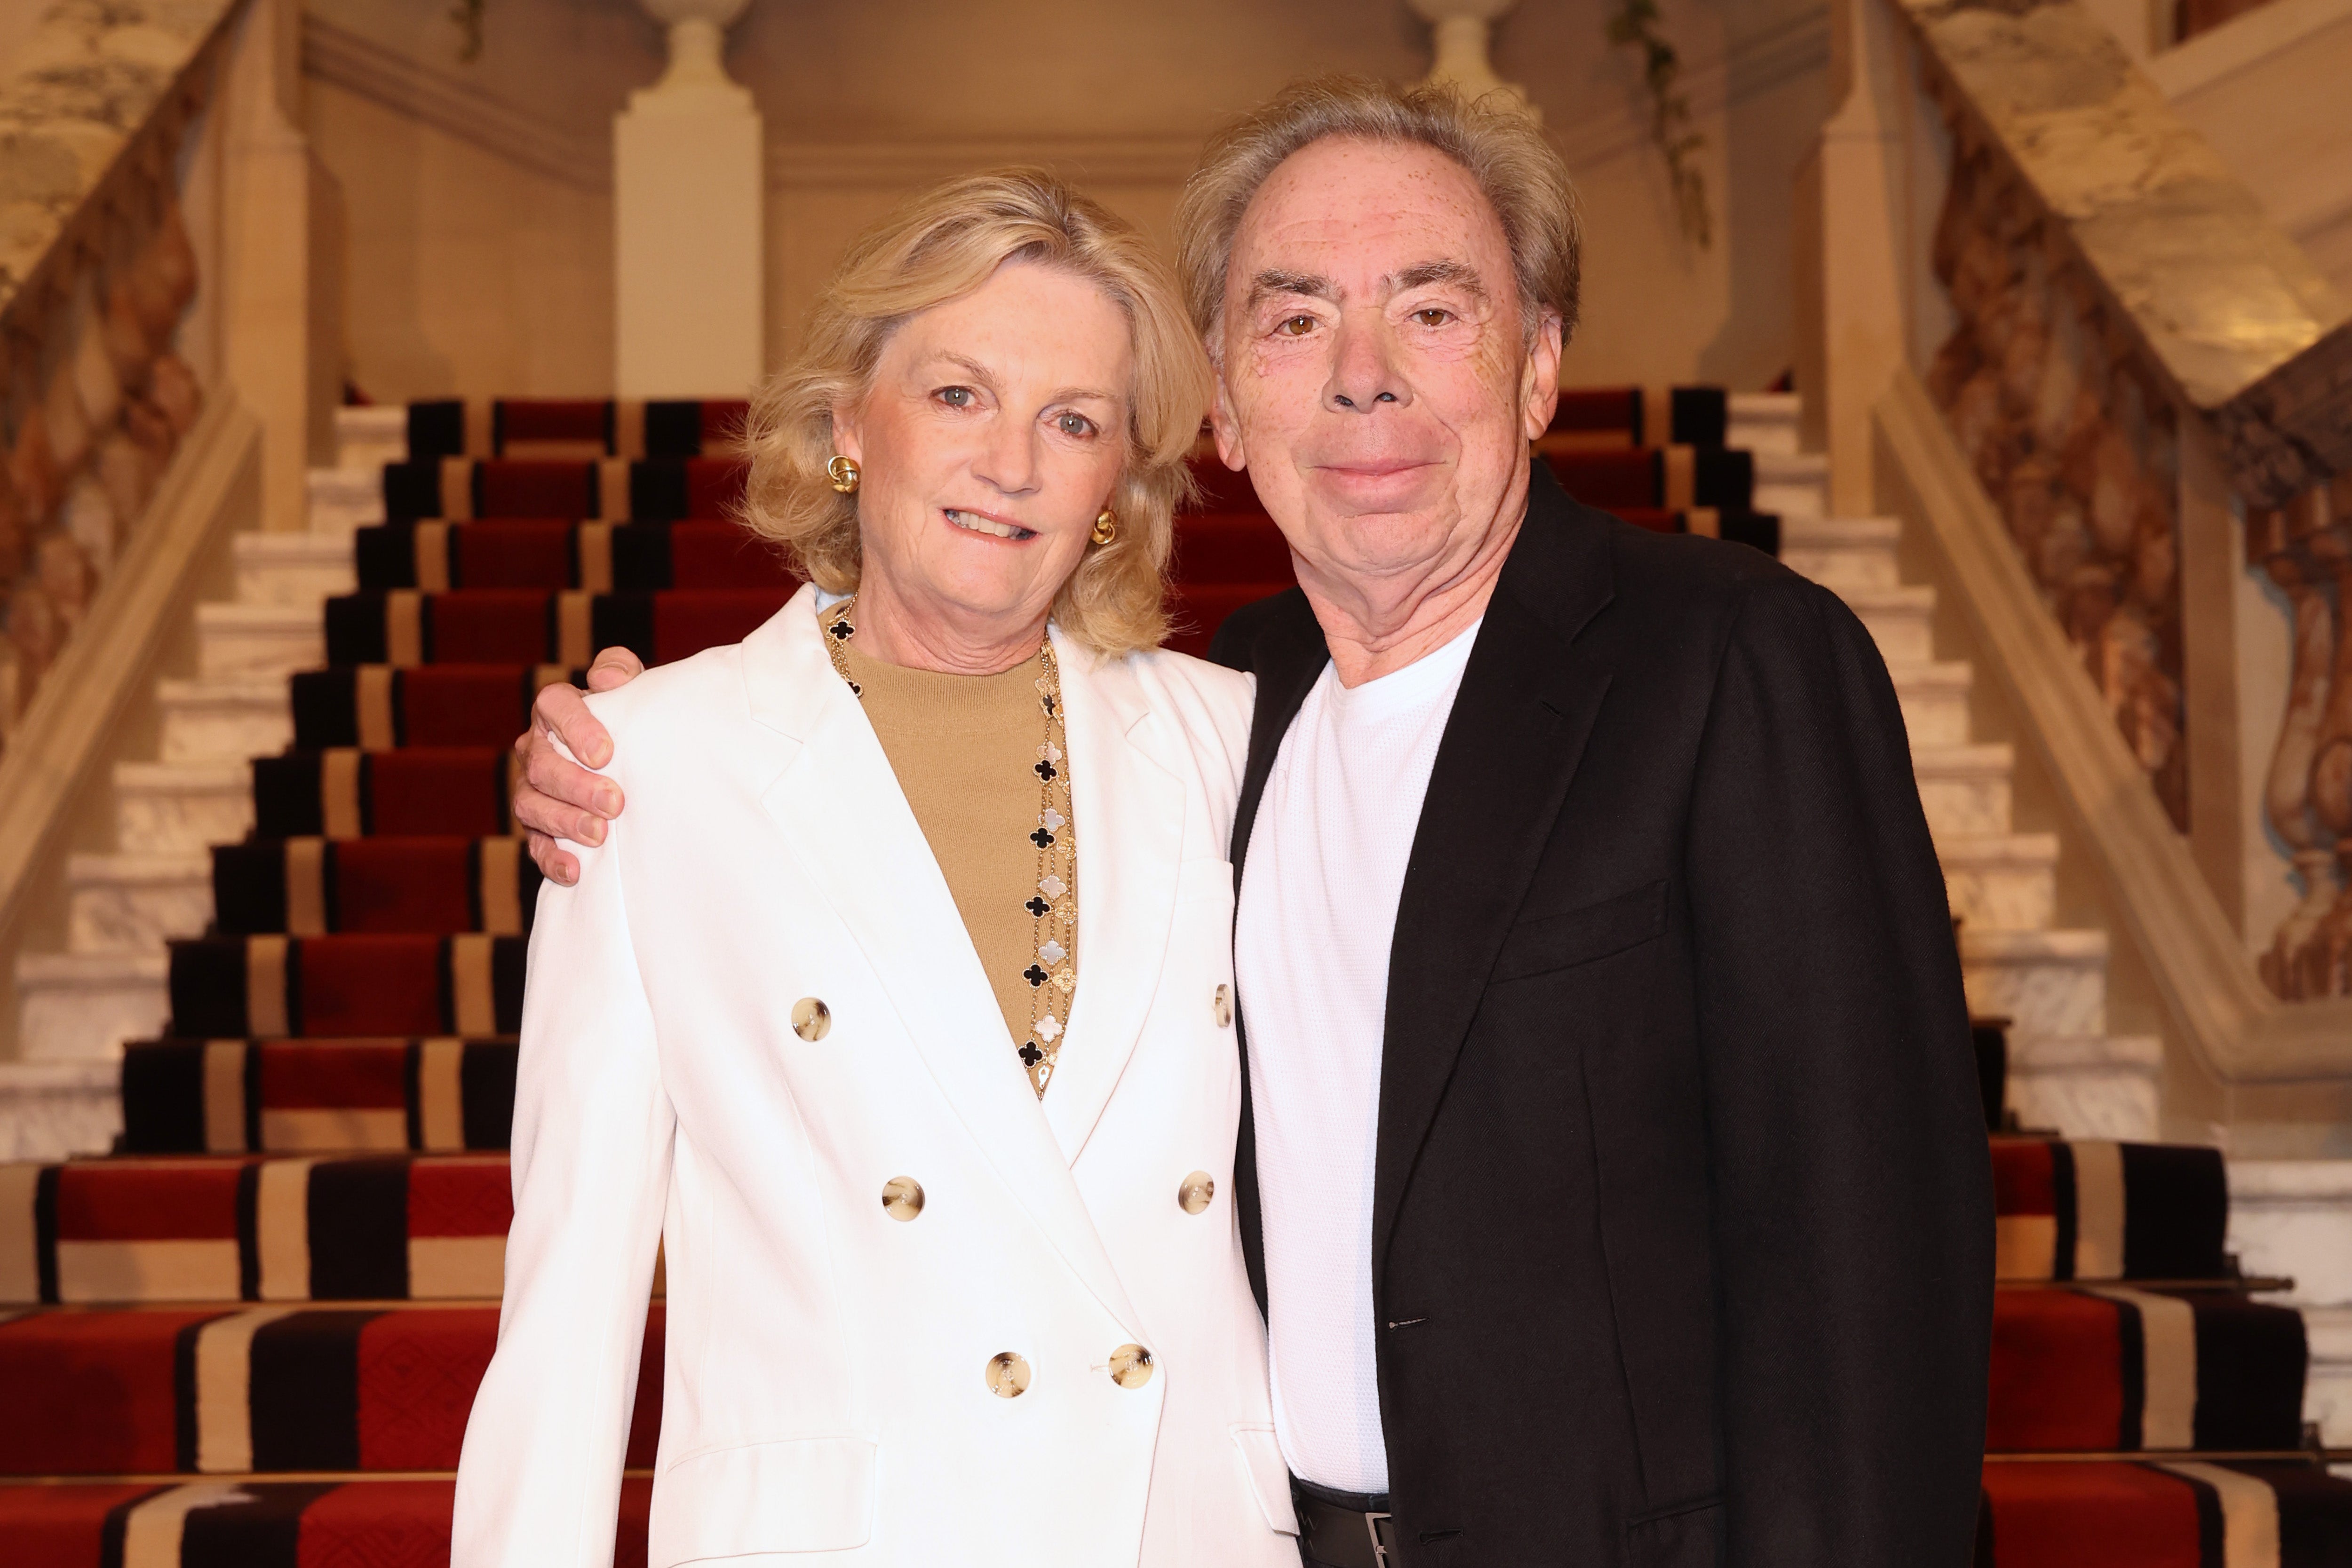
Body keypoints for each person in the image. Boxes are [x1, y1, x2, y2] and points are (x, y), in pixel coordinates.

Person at [518, 81, 1995, 1568]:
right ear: (1226, 407)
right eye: (1295, 322)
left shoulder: (1735, 664)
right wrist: (638, 760)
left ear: (1539, 367)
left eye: (1432, 312)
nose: (1362, 380)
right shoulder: (1237, 704)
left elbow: (1874, 1258)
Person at [453, 171, 1301, 1568]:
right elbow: (570, 1301)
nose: (1013, 463)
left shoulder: (1233, 745)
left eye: (1073, 421)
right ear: (852, 422)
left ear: (1116, 488)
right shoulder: (650, 769)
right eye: (959, 395)